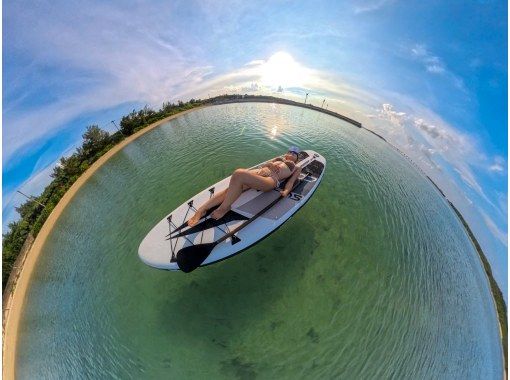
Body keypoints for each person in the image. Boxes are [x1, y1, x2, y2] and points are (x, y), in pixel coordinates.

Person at [187, 146, 302, 226]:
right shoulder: (279, 158)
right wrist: (270, 164)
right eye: (290, 152)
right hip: (260, 172)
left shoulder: (297, 167)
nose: (291, 154)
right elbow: (265, 165)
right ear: (286, 153)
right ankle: (202, 209)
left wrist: (286, 191)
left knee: (239, 173)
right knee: (231, 188)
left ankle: (224, 208)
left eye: (294, 154)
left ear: (297, 158)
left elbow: (291, 181)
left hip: (271, 179)